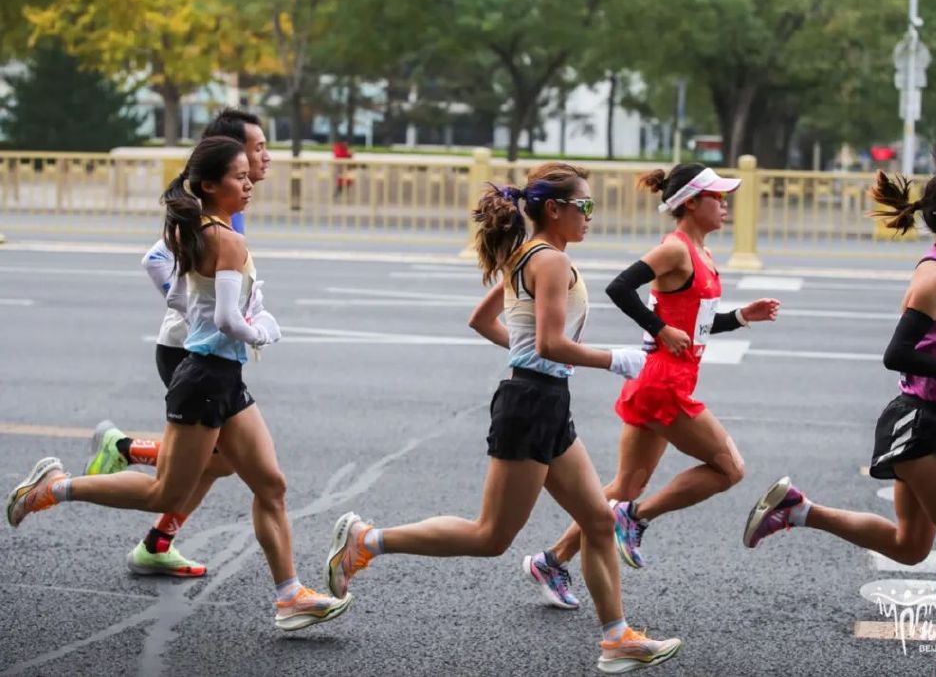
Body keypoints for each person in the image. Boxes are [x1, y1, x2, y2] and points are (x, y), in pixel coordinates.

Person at [322, 163, 681, 673]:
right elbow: (551, 342)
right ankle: (368, 540)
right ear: (554, 210)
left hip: (544, 400)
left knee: (600, 521)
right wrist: (615, 359)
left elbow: (484, 322)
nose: (590, 218)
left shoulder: (526, 254)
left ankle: (617, 638)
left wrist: (532, 355)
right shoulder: (550, 261)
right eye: (585, 207)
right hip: (531, 404)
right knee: (490, 536)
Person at [6, 136, 349, 631]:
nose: (249, 182)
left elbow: (194, 303)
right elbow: (230, 320)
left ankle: (289, 596)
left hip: (220, 378)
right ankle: (56, 488)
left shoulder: (195, 228)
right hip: (206, 379)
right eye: (239, 176)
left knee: (271, 484)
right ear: (210, 184)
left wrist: (224, 318)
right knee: (164, 495)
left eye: (248, 175)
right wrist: (265, 331)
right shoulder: (227, 239)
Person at [742, 157, 936, 677]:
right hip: (920, 422)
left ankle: (799, 510)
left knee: (910, 547)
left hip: (932, 416)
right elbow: (897, 354)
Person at [522, 163, 780, 608]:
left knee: (624, 484)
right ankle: (636, 519)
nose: (725, 206)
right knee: (729, 469)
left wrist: (740, 317)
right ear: (691, 203)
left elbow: (694, 325)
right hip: (663, 383)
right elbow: (620, 287)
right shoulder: (675, 250)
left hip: (660, 379)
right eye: (717, 198)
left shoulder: (700, 253)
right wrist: (658, 329)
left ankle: (552, 560)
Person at [83, 108, 271, 577]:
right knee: (219, 459)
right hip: (188, 350)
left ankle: (157, 539)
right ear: (231, 152)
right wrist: (189, 311)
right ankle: (127, 451)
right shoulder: (211, 215)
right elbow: (155, 259)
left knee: (223, 460)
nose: (265, 158)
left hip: (204, 350)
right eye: (258, 148)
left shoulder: (229, 211)